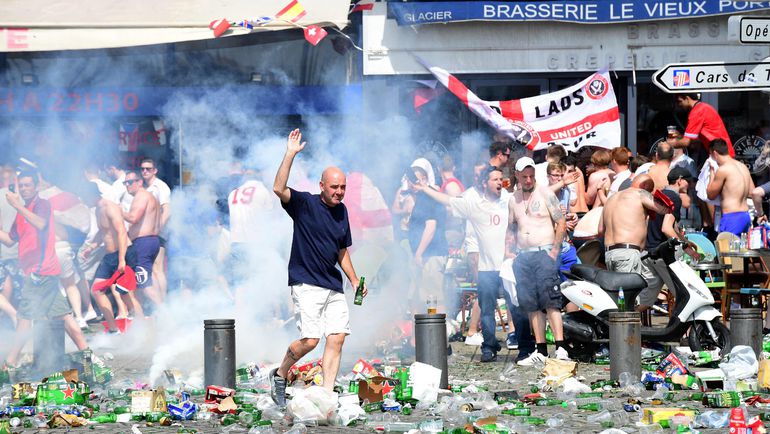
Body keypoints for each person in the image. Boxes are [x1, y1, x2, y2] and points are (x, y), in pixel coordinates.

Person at [270, 129, 366, 405]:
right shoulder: (304, 204)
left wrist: (355, 279)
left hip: (332, 284)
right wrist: (290, 154)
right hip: (306, 282)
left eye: (343, 187)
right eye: (334, 187)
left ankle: (326, 395)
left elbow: (341, 250)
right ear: (322, 185)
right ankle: (280, 373)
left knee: (337, 337)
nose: (339, 192)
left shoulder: (342, 211)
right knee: (311, 341)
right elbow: (278, 188)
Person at [419, 166, 533, 363]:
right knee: (486, 310)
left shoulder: (510, 199)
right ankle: (489, 347)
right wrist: (425, 188)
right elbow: (449, 200)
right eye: (494, 179)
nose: (499, 182)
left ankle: (525, 348)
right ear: (484, 183)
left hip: (509, 265)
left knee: (516, 307)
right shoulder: (475, 204)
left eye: (501, 178)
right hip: (486, 267)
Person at [0, 170, 89, 367]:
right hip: (39, 272)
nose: (23, 189)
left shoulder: (42, 205)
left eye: (27, 185)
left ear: (36, 186)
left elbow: (41, 224)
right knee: (63, 316)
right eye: (21, 185)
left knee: (25, 316)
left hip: (40, 272)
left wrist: (16, 206)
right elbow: (9, 240)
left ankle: (10, 362)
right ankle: (90, 358)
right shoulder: (23, 211)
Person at [508, 157, 568, 366]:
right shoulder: (513, 199)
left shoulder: (545, 193)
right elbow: (512, 227)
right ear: (517, 175)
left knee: (551, 301)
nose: (528, 179)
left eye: (531, 175)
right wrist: (509, 252)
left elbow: (561, 221)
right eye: (524, 176)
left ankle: (560, 346)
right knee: (532, 304)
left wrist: (554, 251)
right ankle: (540, 349)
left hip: (544, 252)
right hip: (523, 255)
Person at [599, 174, 671, 312]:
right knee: (629, 300)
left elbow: (600, 230)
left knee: (617, 299)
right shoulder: (639, 194)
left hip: (610, 253)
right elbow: (664, 209)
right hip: (627, 252)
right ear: (644, 187)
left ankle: (616, 332)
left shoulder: (611, 198)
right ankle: (628, 333)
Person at [81, 183, 138, 333]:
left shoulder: (110, 207)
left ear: (91, 195)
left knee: (125, 292)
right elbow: (103, 232)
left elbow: (121, 232)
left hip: (124, 253)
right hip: (109, 256)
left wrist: (122, 260)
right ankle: (113, 330)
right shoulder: (97, 209)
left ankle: (142, 326)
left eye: (84, 197)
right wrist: (91, 247)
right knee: (97, 290)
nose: (83, 201)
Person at [406, 160, 448, 313]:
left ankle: (436, 334)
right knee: (417, 297)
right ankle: (417, 336)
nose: (412, 184)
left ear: (423, 179)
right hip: (423, 256)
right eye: (410, 180)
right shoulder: (423, 197)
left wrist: (419, 253)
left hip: (431, 255)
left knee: (433, 298)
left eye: (415, 180)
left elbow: (431, 227)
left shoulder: (428, 196)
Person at [122, 170, 161, 310]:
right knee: (144, 281)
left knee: (143, 284)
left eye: (130, 182)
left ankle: (166, 313)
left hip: (143, 243)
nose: (127, 185)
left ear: (139, 182)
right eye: (125, 183)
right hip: (150, 241)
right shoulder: (149, 196)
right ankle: (147, 315)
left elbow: (133, 218)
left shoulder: (141, 196)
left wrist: (116, 210)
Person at [706, 139, 753, 236]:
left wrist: (711, 171)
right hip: (745, 215)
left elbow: (710, 195)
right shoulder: (743, 167)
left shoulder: (723, 169)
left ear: (714, 153)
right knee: (742, 250)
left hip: (732, 217)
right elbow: (752, 191)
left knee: (726, 250)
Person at [139, 158, 171, 301]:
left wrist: (158, 229)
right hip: (147, 234)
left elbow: (167, 210)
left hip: (157, 233)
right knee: (151, 269)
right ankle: (158, 302)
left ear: (155, 171)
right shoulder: (145, 188)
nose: (145, 171)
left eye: (148, 169)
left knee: (157, 269)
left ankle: (162, 303)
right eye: (143, 169)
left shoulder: (160, 186)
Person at [668, 93, 735, 157]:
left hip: (721, 154)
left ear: (687, 98)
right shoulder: (702, 107)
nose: (678, 105)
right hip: (720, 152)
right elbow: (694, 140)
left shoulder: (696, 112)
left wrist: (670, 143)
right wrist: (680, 136)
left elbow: (686, 142)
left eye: (679, 101)